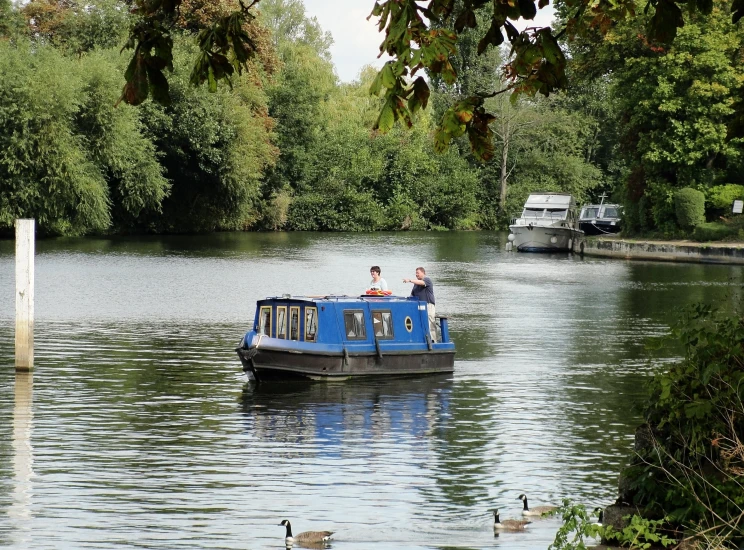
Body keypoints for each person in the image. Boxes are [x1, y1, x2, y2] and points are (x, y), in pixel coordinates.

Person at [403, 267, 438, 342]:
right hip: (419, 307)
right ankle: (424, 340)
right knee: (421, 322)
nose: (416, 274)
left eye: (418, 273)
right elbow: (412, 295)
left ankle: (433, 341)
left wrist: (409, 280)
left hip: (428, 305)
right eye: (416, 273)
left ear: (423, 272)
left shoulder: (427, 279)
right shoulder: (416, 284)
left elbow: (422, 283)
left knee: (430, 322)